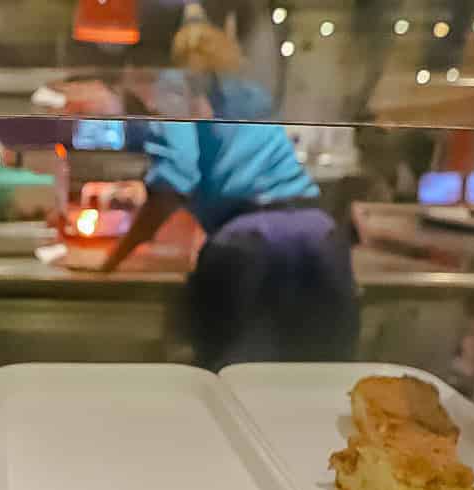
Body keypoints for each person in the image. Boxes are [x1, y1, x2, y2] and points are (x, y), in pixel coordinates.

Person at [99, 13, 359, 370]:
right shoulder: (249, 95)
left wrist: (113, 261)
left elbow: (175, 180)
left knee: (235, 380)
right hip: (320, 233)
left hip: (250, 243)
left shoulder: (177, 86)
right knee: (321, 378)